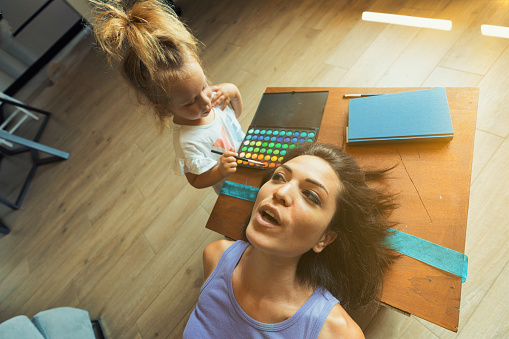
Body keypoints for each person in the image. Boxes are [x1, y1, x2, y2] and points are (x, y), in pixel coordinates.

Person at [184, 143, 398, 338]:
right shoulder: (215, 255)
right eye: (278, 177)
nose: (281, 192)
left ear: (324, 238)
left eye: (311, 196)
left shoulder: (336, 333)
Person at [91, 0, 245, 193]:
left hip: (253, 159)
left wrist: (234, 91)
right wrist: (220, 170)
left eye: (204, 86)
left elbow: (235, 117)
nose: (206, 101)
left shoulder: (214, 96)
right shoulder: (188, 141)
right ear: (164, 108)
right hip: (236, 188)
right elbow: (196, 180)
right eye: (190, 102)